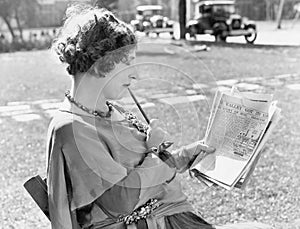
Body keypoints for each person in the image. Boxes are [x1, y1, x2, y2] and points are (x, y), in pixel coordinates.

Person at [47, 3, 272, 229]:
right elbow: (120, 201)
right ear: (99, 61)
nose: (134, 74)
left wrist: (186, 156)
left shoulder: (109, 110)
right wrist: (154, 151)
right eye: (127, 62)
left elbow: (143, 169)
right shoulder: (72, 127)